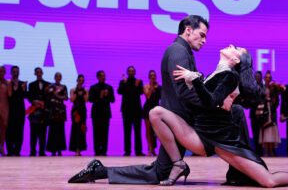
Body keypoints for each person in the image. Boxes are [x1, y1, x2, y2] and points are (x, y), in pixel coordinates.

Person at [68, 15, 252, 186]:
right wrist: (209, 105)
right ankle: (244, 172)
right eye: (201, 35)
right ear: (188, 30)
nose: (204, 40)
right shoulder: (179, 52)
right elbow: (184, 93)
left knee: (159, 172)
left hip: (177, 119)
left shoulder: (182, 51)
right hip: (178, 120)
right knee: (159, 172)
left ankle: (99, 171)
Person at [149, 45, 288, 187]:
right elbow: (205, 102)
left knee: (268, 181)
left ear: (236, 59)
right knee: (156, 112)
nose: (231, 45)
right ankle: (178, 164)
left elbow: (211, 100)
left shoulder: (230, 77)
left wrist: (195, 79)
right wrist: (195, 80)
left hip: (220, 140)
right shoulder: (217, 73)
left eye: (235, 48)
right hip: (201, 134)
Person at [117, 66, 144, 156]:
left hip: (137, 110)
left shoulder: (138, 82)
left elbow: (140, 92)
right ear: (127, 72)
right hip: (126, 110)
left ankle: (138, 151)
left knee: (137, 131)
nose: (131, 72)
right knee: (127, 131)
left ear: (135, 72)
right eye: (130, 71)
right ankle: (127, 151)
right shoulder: (123, 82)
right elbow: (119, 91)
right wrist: (125, 84)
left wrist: (136, 86)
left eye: (133, 71)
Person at [89, 70, 115, 156]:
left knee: (105, 132)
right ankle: (96, 151)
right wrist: (99, 96)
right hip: (96, 112)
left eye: (104, 75)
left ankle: (104, 151)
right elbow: (90, 99)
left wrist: (107, 95)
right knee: (96, 132)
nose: (103, 77)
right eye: (101, 75)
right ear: (98, 77)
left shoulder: (109, 87)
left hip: (105, 113)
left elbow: (113, 100)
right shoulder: (93, 87)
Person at [258, 70, 282, 157]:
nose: (268, 79)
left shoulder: (274, 88)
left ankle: (272, 151)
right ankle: (266, 151)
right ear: (264, 79)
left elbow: (277, 100)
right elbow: (258, 98)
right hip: (264, 112)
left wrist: (273, 102)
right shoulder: (261, 88)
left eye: (269, 78)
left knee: (272, 130)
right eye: (266, 77)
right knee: (265, 130)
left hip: (272, 111)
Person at [28, 67, 50, 156]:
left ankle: (42, 151)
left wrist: (43, 103)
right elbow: (30, 97)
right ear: (35, 73)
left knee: (43, 132)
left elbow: (49, 97)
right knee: (33, 132)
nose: (39, 73)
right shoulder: (31, 84)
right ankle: (33, 151)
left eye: (40, 72)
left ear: (42, 73)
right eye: (37, 72)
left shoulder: (47, 84)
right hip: (34, 111)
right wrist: (34, 101)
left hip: (44, 111)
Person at [6, 66, 27, 156]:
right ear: (11, 72)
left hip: (20, 110)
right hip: (10, 109)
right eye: (14, 71)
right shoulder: (8, 83)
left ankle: (17, 150)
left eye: (17, 71)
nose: (15, 73)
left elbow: (25, 96)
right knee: (10, 130)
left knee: (19, 130)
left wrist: (23, 89)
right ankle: (10, 150)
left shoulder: (23, 83)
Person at [46, 72, 68, 156]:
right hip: (52, 111)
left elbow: (66, 97)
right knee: (52, 130)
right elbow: (47, 97)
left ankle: (59, 150)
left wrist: (58, 96)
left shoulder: (63, 87)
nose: (58, 78)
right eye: (57, 76)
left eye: (60, 76)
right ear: (54, 77)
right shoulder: (50, 86)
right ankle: (52, 150)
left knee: (60, 130)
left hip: (60, 111)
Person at [143, 70, 161, 156]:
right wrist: (151, 86)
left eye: (154, 76)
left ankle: (154, 148)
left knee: (156, 130)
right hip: (147, 108)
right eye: (151, 76)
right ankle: (150, 148)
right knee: (148, 129)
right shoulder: (146, 86)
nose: (152, 77)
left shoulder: (159, 87)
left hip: (156, 108)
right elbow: (148, 96)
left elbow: (161, 98)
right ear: (149, 77)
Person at [69, 74, 89, 156]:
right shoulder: (73, 90)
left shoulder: (86, 90)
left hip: (83, 112)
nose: (81, 81)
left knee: (82, 130)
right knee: (75, 130)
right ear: (77, 81)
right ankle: (75, 149)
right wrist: (77, 93)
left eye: (82, 80)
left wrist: (83, 93)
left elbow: (86, 100)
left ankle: (80, 149)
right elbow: (72, 100)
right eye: (79, 80)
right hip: (75, 112)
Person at [248, 71, 264, 156]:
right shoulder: (251, 88)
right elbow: (249, 100)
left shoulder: (264, 87)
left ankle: (263, 151)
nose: (257, 77)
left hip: (263, 113)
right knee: (255, 133)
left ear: (261, 77)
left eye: (259, 76)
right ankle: (257, 151)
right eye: (256, 76)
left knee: (263, 133)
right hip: (254, 113)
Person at [0, 66, 11, 156]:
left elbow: (10, 94)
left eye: (3, 71)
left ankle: (2, 148)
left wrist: (9, 85)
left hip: (5, 106)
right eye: (0, 71)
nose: (1, 73)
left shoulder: (7, 82)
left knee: (4, 127)